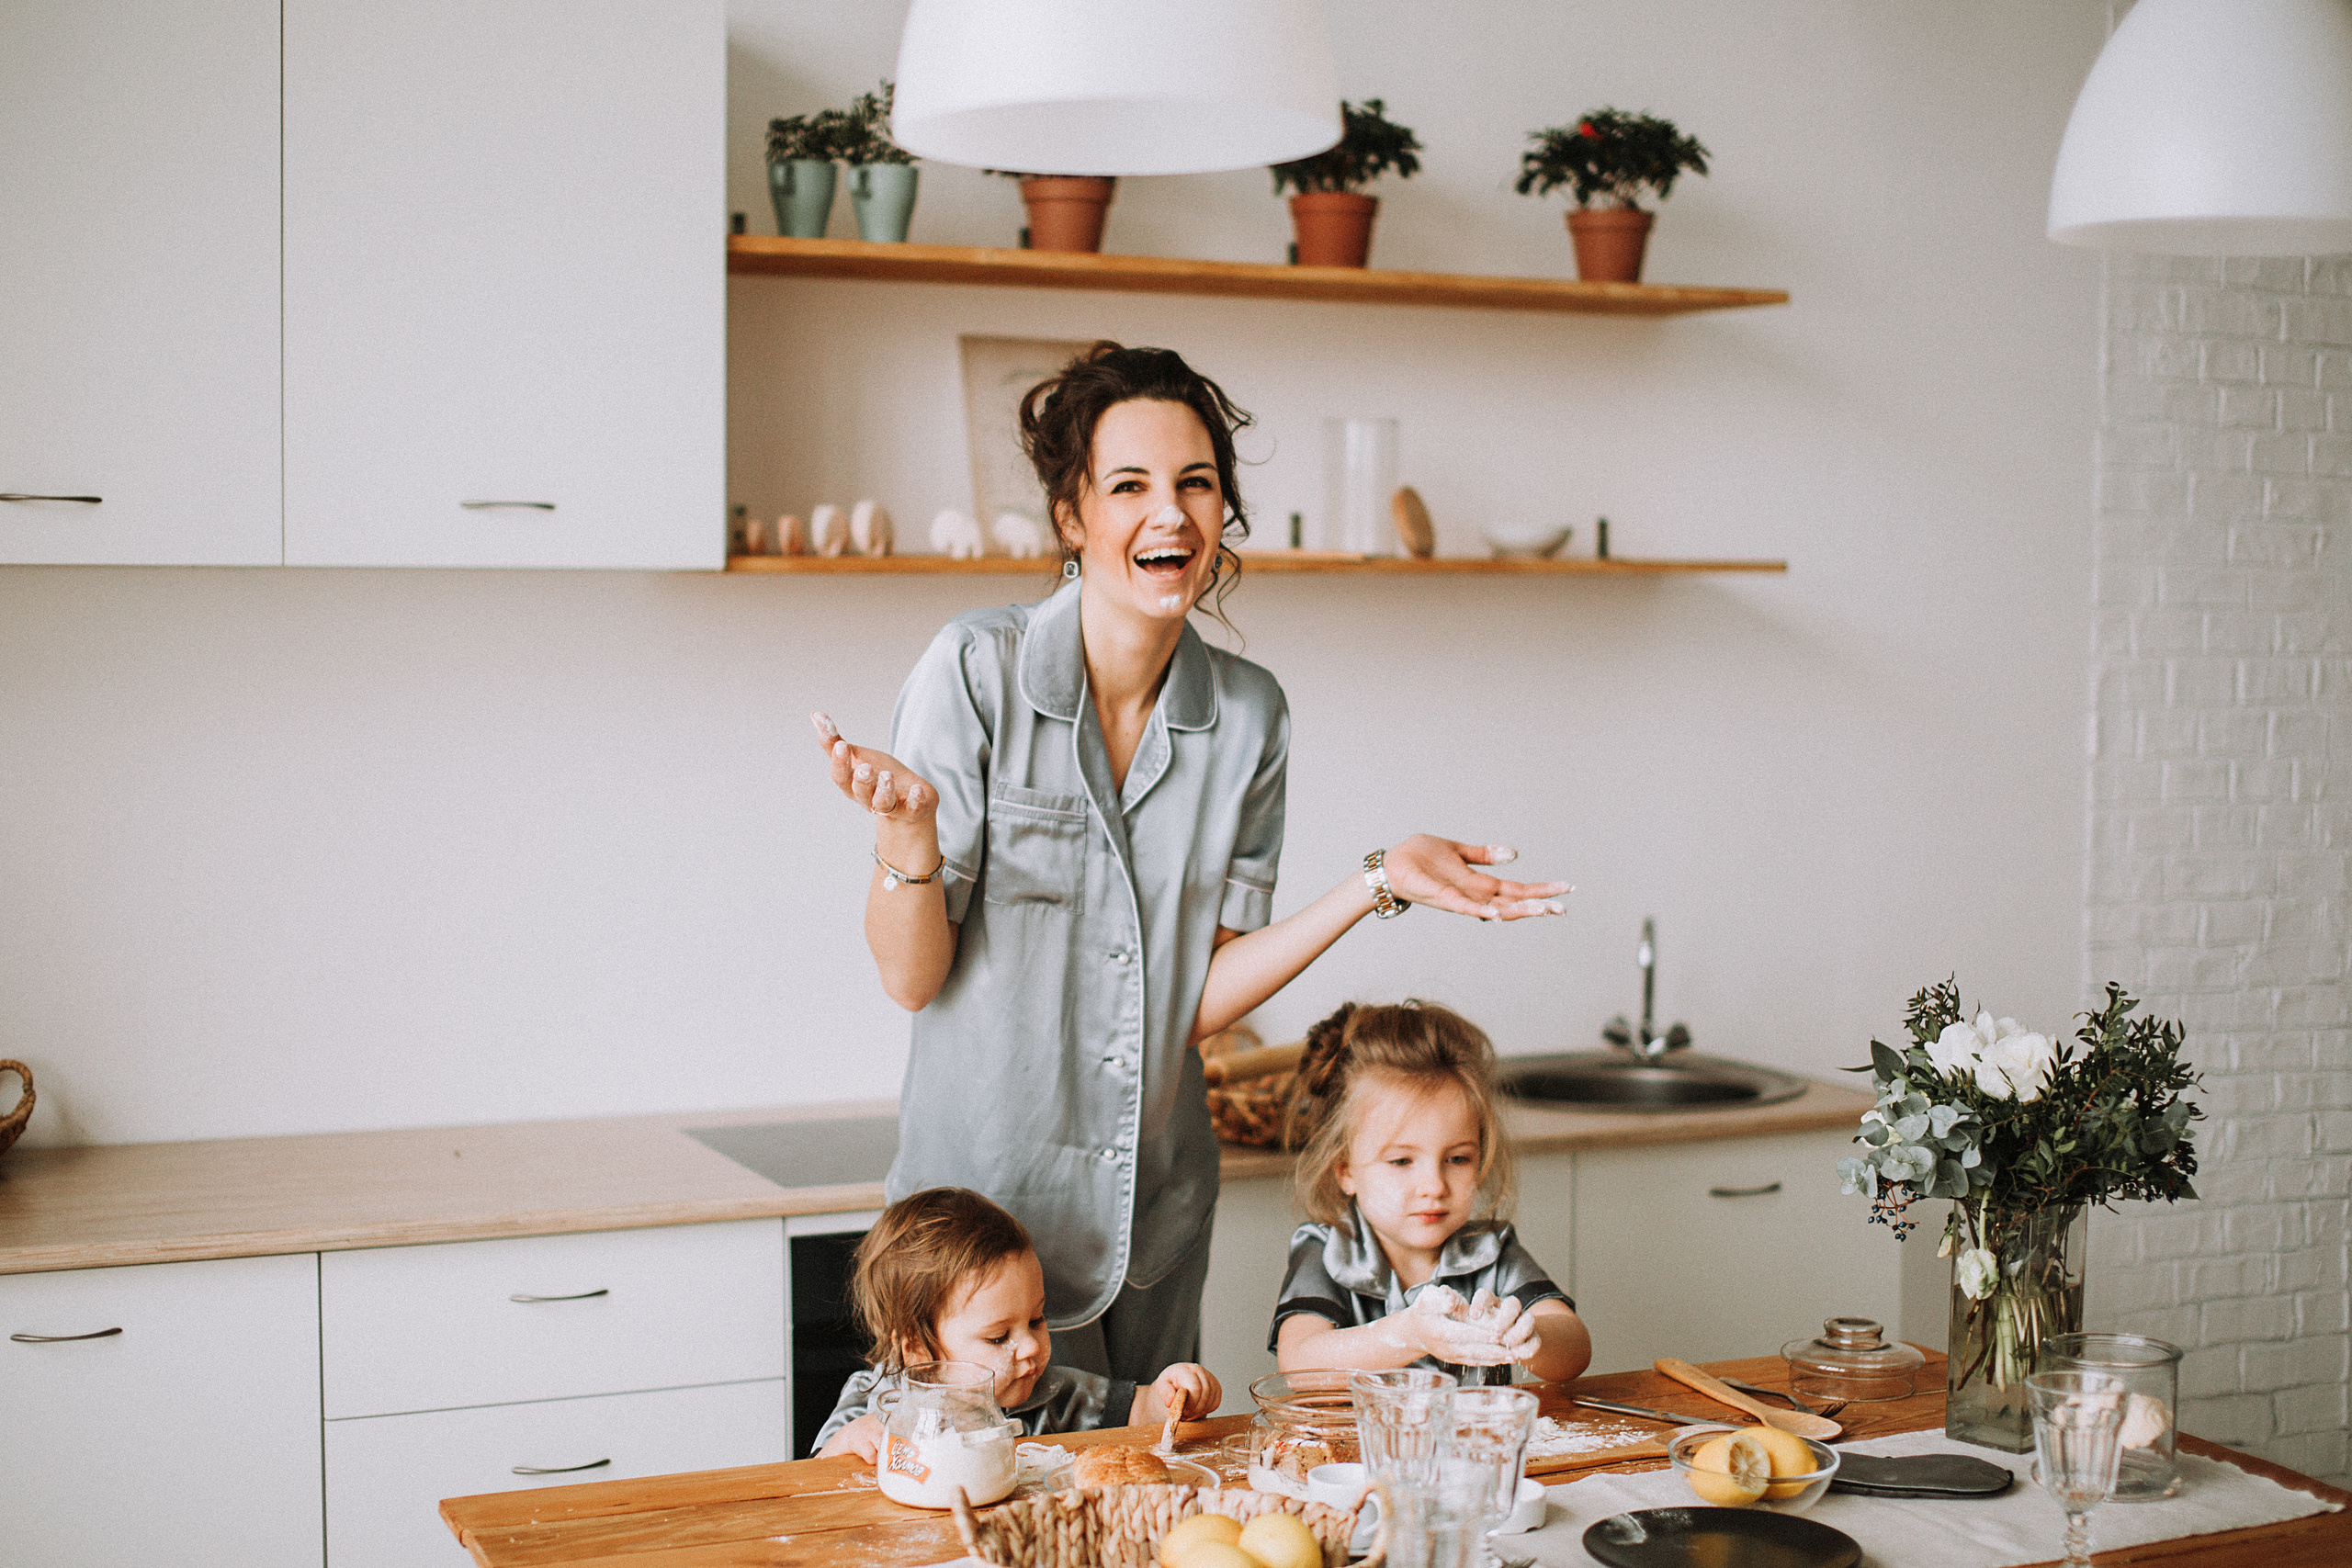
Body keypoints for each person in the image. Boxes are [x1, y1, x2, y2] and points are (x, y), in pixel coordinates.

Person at [811, 342, 1572, 1388]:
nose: (1168, 513)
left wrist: (1376, 882)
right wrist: (906, 843)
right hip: (982, 1232)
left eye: (1195, 484)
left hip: (1153, 1211)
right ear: (1073, 518)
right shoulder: (975, 671)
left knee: (1151, 1508)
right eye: (1128, 486)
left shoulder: (1249, 714)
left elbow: (1193, 1000)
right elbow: (911, 978)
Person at [1271, 1000, 1592, 1384]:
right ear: (1346, 1171)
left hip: (1472, 1445)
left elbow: (1575, 1348)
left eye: (1457, 1159)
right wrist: (1409, 1334)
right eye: (1402, 1162)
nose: (1435, 1187)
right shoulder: (1328, 1251)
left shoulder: (1490, 1250)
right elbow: (1299, 1366)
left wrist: (1533, 1336)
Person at [815, 1187, 1219, 1460]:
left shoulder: (1054, 1396)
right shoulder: (874, 1401)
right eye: (998, 1337)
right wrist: (848, 1443)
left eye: (1036, 1319)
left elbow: (1139, 1411)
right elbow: (813, 1478)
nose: (1030, 1347)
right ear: (917, 1348)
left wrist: (1170, 1393)